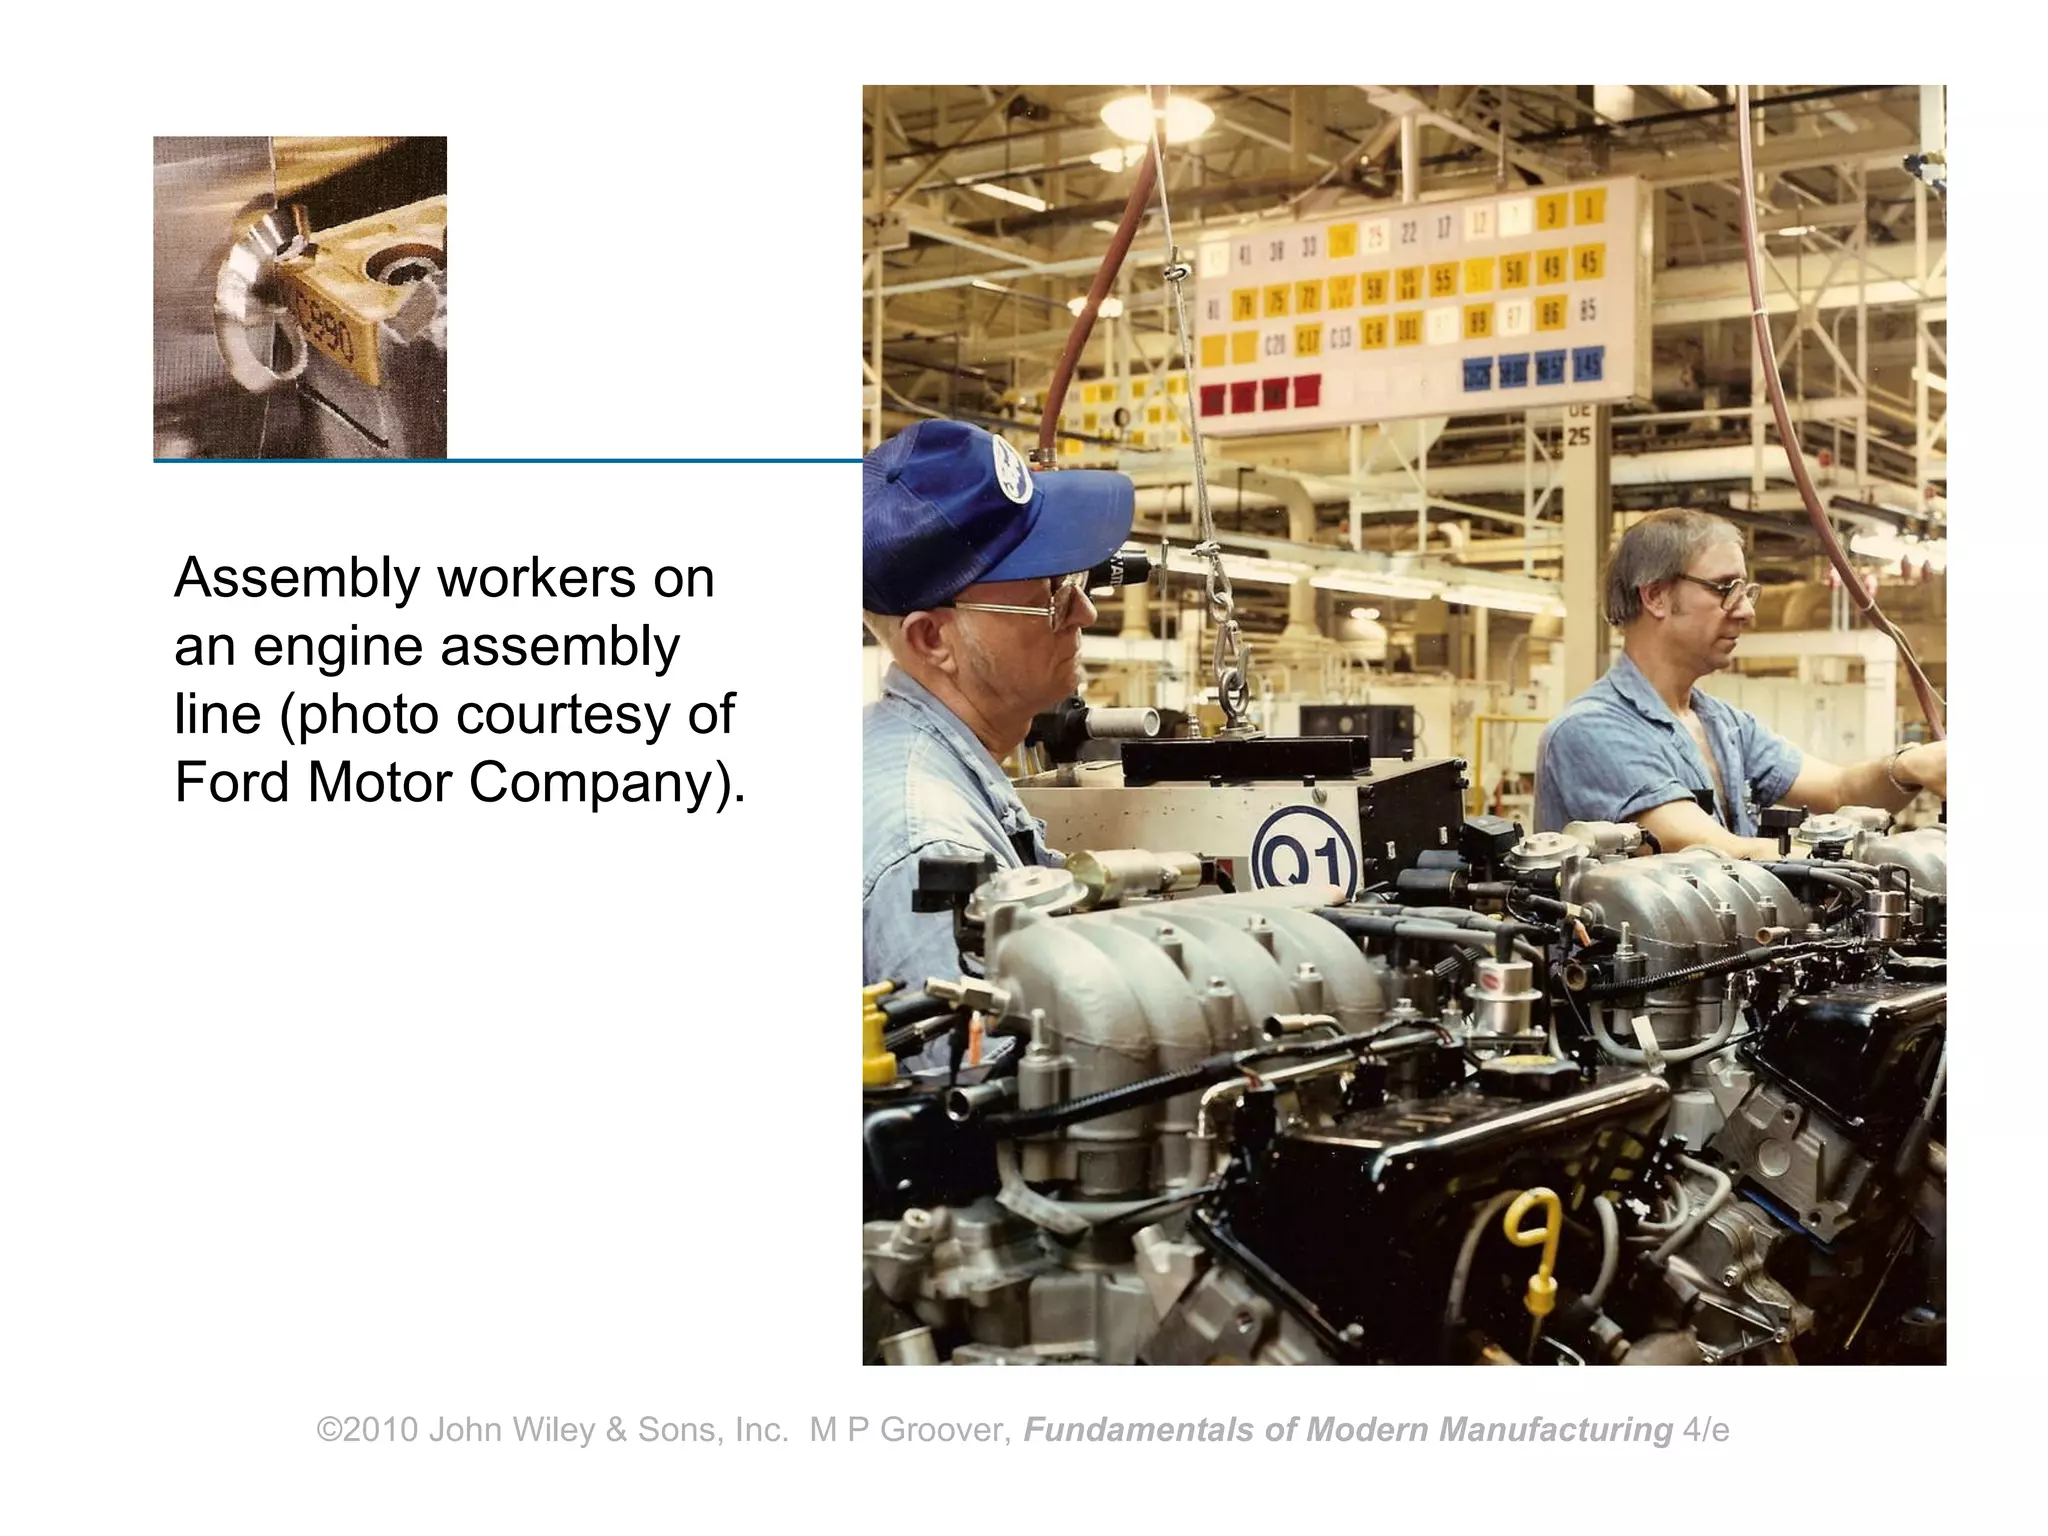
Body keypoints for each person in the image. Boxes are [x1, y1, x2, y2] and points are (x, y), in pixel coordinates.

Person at [862, 419, 1136, 1038]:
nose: (1085, 611)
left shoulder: (901, 756)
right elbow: (967, 1093)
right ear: (934, 639)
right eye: (1051, 593)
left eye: (1075, 582)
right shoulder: (932, 851)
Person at [1535, 507, 1946, 856]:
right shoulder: (1590, 730)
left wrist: (1911, 766)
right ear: (1655, 596)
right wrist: (1866, 854)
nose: (1746, 610)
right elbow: (1714, 852)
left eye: (1746, 590)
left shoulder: (1725, 726)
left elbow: (1838, 790)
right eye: (1726, 589)